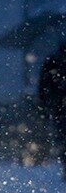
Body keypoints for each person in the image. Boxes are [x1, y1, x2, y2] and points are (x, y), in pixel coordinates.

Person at [38, 40, 66, 178]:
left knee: (62, 138)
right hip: (59, 106)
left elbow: (44, 86)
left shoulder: (53, 62)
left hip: (58, 106)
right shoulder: (54, 63)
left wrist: (45, 103)